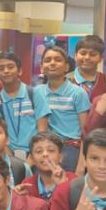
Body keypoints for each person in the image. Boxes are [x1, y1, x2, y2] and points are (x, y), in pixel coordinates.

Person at [34, 46, 90, 174]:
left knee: (67, 184)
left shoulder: (78, 93)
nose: (52, 63)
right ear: (42, 67)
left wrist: (82, 163)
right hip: (44, 146)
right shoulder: (37, 92)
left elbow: (85, 132)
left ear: (66, 67)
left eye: (58, 60)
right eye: (47, 60)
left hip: (70, 147)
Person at [0, 52, 50, 159]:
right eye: (1, 68)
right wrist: (9, 157)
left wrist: (33, 157)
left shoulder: (35, 94)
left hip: (35, 154)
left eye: (10, 67)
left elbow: (42, 130)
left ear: (20, 71)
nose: (6, 71)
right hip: (8, 155)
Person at [20, 132, 76, 201]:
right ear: (32, 159)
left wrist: (62, 186)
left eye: (51, 150)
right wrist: (15, 196)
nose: (45, 154)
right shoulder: (27, 184)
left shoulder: (73, 181)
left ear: (60, 157)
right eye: (39, 151)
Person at [69, 35, 106, 101]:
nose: (87, 57)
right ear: (75, 56)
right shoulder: (65, 81)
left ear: (101, 58)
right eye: (83, 53)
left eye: (93, 54)